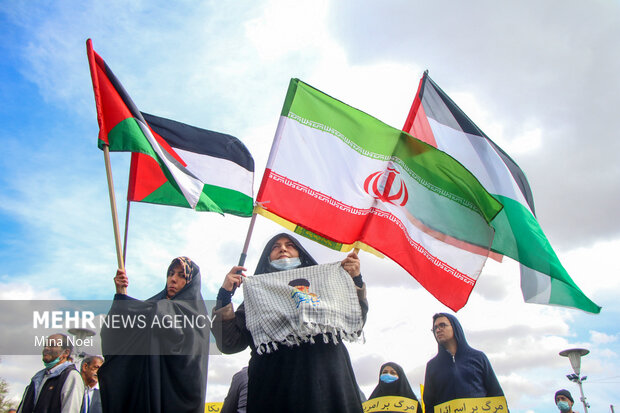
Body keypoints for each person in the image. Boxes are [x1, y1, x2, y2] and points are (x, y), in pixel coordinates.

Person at [212, 233, 368, 413]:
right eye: (275, 246)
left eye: (289, 245)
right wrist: (224, 296)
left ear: (301, 254)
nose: (283, 249)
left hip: (329, 388)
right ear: (267, 258)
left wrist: (355, 280)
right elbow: (229, 343)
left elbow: (356, 323)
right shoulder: (256, 297)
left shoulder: (327, 288)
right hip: (275, 394)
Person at [98, 257, 209, 413]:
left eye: (181, 275)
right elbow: (116, 334)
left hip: (177, 400)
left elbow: (185, 351)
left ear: (191, 282)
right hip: (143, 396)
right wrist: (121, 299)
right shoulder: (153, 305)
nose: (173, 279)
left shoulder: (195, 314)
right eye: (170, 274)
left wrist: (133, 308)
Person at [423, 313, 504, 411]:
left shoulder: (478, 358)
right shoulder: (432, 366)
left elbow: (496, 394)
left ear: (455, 327)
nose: (438, 330)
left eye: (442, 325)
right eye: (435, 328)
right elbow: (429, 404)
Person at [17, 333, 84, 413]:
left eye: (52, 345)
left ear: (66, 352)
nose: (46, 348)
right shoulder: (37, 378)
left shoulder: (71, 376)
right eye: (45, 345)